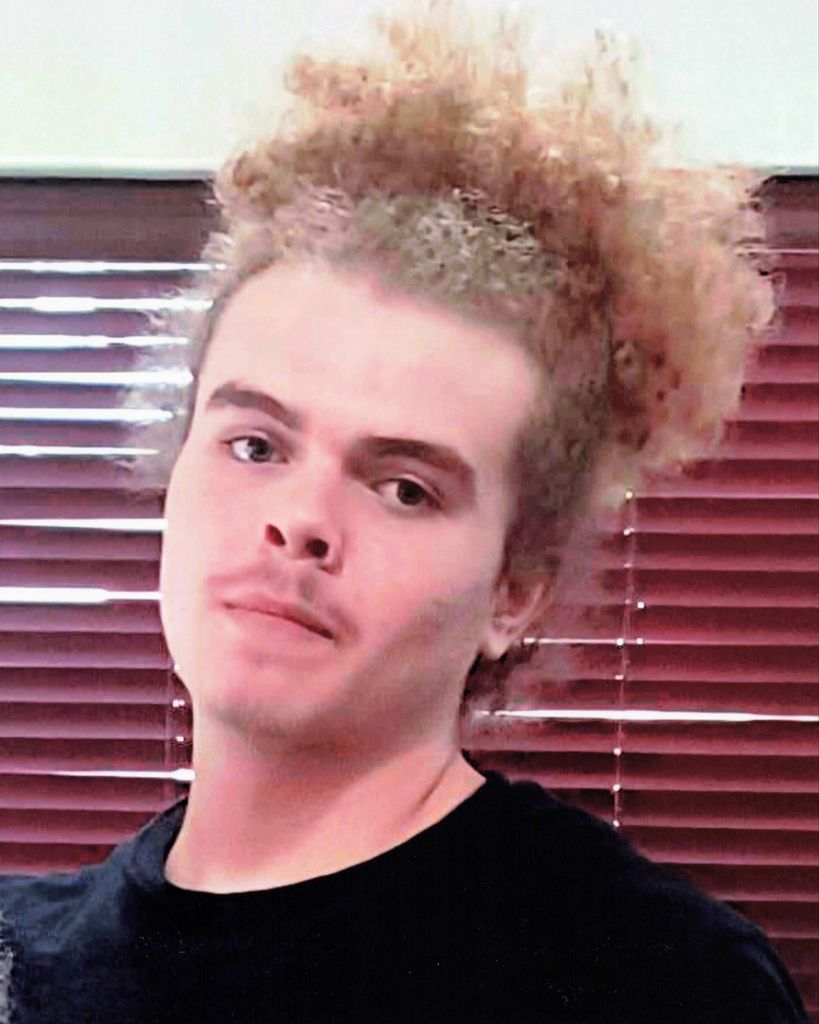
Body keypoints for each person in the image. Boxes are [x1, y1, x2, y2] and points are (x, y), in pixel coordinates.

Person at [0, 4, 808, 1022]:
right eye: (256, 445)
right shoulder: (18, 957)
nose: (300, 518)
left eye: (404, 487)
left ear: (513, 592)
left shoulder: (656, 980)